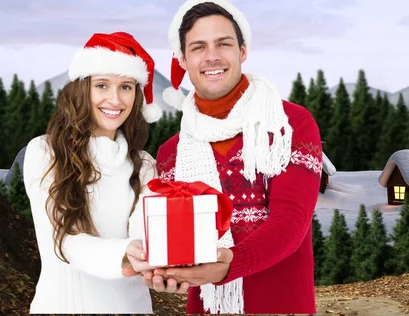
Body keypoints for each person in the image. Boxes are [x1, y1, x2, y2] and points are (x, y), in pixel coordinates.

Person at [132, 0, 322, 314]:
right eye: (198, 47)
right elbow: (178, 243)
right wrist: (164, 270)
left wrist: (229, 265)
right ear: (183, 59)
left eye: (224, 44)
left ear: (242, 51)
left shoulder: (289, 125)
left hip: (284, 304)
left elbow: (292, 222)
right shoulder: (171, 154)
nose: (212, 57)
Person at [23, 32, 178, 313]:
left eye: (126, 87)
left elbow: (149, 236)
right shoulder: (45, 153)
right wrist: (126, 252)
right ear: (82, 89)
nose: (115, 99)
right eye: (102, 85)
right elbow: (67, 240)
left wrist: (167, 268)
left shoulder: (144, 164)